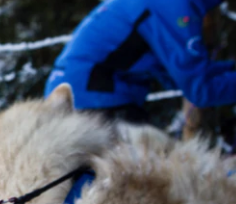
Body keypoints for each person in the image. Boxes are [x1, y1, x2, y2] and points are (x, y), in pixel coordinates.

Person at [45, 0, 236, 123]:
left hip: (76, 93)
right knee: (146, 179)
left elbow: (180, 75)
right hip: (93, 99)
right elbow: (200, 89)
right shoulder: (174, 7)